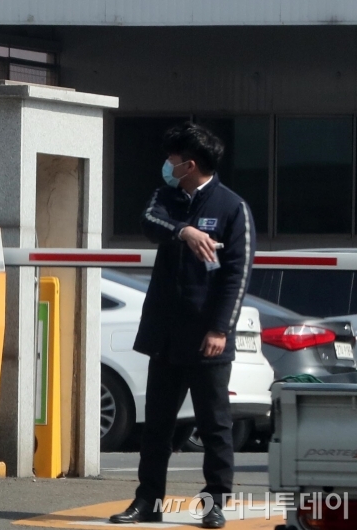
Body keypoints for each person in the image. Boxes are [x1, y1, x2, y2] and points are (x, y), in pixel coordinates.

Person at [109, 122, 255, 529]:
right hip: (165, 334)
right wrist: (184, 231)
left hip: (206, 336)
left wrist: (220, 329)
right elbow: (149, 222)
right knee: (156, 425)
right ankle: (148, 501)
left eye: (173, 160)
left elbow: (236, 276)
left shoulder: (231, 208)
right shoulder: (167, 198)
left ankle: (215, 502)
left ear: (190, 164)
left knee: (214, 426)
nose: (167, 166)